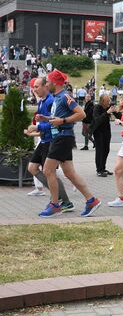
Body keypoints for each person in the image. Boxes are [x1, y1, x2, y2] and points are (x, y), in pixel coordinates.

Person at [36, 69, 102, 217]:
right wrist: (46, 119)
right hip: (60, 137)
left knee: (47, 170)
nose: (46, 85)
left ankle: (55, 205)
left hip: (63, 137)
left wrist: (63, 121)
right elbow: (58, 118)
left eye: (47, 82)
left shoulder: (65, 96)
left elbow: (81, 114)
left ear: (54, 83)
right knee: (69, 173)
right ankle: (92, 200)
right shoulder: (57, 97)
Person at [24, 77, 74, 211]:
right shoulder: (42, 101)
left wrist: (37, 128)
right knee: (32, 168)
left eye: (36, 87)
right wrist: (35, 131)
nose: (34, 89)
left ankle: (64, 201)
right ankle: (58, 197)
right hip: (44, 139)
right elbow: (43, 122)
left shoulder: (51, 101)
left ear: (45, 86)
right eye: (33, 87)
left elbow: (52, 122)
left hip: (52, 139)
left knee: (50, 172)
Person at [90, 93, 114, 177]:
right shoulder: (97, 108)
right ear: (102, 101)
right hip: (98, 131)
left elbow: (118, 116)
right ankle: (99, 170)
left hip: (106, 131)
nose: (109, 102)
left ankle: (103, 168)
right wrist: (107, 113)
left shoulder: (108, 107)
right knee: (100, 150)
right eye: (107, 101)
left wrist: (116, 111)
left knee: (106, 150)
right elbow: (97, 120)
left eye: (109, 100)